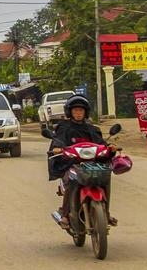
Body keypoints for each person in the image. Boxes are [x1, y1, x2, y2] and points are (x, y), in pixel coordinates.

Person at [47, 94, 115, 229]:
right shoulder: (63, 128)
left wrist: (110, 148)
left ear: (86, 112)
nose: (78, 113)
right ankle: (65, 215)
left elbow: (101, 144)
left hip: (92, 164)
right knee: (72, 181)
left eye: (81, 111)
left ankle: (105, 213)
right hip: (71, 164)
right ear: (70, 112)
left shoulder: (92, 129)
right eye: (75, 110)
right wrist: (57, 149)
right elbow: (57, 142)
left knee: (105, 179)